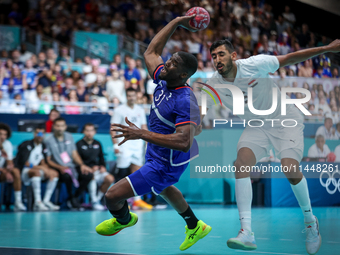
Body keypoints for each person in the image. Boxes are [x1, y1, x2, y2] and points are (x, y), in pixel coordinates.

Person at [199, 38, 340, 254]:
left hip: (284, 119)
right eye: (214, 56)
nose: (217, 59)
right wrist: (195, 124)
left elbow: (290, 58)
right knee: (241, 164)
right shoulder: (214, 83)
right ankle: (246, 232)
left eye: (221, 54)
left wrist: (327, 48)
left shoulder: (255, 64)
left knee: (290, 169)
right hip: (257, 127)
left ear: (234, 55)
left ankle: (310, 221)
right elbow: (201, 108)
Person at [96, 15, 212, 251]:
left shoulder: (185, 100)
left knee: (112, 197)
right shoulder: (164, 78)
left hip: (167, 161)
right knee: (164, 189)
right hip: (157, 153)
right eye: (169, 60)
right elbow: (151, 51)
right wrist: (178, 21)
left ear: (183, 75)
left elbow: (183, 141)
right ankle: (194, 225)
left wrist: (142, 134)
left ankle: (125, 219)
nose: (166, 64)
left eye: (172, 64)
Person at [110, 87, 152, 210]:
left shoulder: (140, 110)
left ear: (136, 96)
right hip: (123, 145)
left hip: (137, 146)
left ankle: (137, 201)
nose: (131, 97)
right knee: (122, 174)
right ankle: (119, 200)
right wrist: (115, 144)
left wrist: (146, 143)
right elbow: (113, 128)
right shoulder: (119, 110)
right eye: (129, 95)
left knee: (137, 173)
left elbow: (144, 127)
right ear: (126, 96)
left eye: (133, 95)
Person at [44, 117, 93, 209]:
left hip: (71, 166)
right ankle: (72, 199)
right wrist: (60, 167)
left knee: (88, 175)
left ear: (65, 126)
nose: (60, 128)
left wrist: (82, 165)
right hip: (58, 168)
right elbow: (48, 160)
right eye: (57, 126)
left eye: (62, 126)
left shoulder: (69, 136)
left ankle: (74, 197)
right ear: (54, 126)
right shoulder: (48, 140)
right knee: (67, 177)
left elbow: (74, 154)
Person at [14, 127, 60, 211]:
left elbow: (42, 161)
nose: (40, 136)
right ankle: (37, 202)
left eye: (42, 133)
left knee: (54, 173)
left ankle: (46, 200)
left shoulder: (43, 146)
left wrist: (46, 169)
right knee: (36, 172)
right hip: (24, 171)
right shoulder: (26, 144)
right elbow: (25, 163)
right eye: (38, 133)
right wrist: (41, 167)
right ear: (34, 134)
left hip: (37, 170)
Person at [76, 123, 115, 210]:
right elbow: (78, 160)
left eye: (91, 130)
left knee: (110, 178)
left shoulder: (98, 143)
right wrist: (88, 168)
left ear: (94, 132)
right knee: (91, 176)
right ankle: (94, 202)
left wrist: (102, 167)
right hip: (85, 172)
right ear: (83, 131)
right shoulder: (79, 144)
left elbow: (101, 158)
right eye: (87, 130)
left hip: (97, 170)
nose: (89, 133)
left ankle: (98, 199)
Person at [0, 123, 26, 211]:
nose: (2, 137)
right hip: (1, 171)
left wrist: (9, 169)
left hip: (2, 172)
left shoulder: (7, 144)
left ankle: (18, 202)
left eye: (5, 135)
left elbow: (9, 160)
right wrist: (3, 170)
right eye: (0, 134)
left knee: (15, 171)